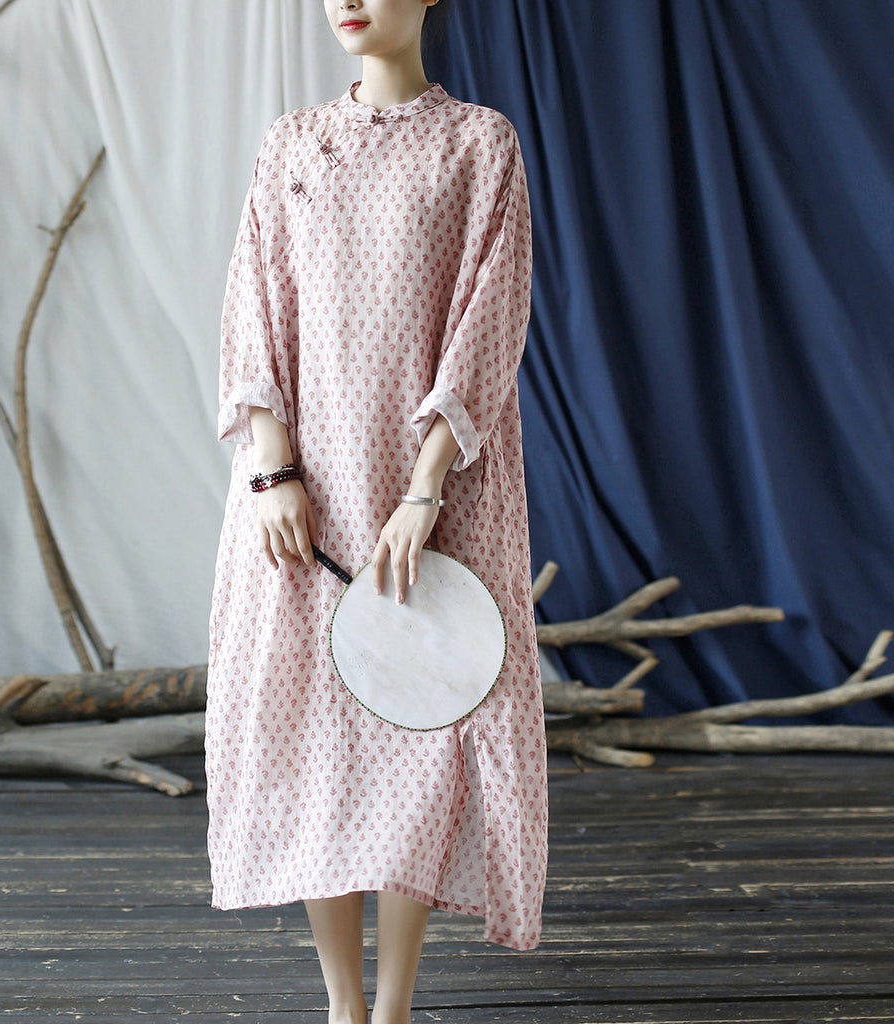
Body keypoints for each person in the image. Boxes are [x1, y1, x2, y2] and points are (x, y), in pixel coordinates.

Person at [205, 2, 548, 1021]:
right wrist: (273, 469)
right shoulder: (291, 142)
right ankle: (341, 1006)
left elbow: (490, 320)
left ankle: (391, 1008)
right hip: (304, 501)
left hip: (436, 494)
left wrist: (425, 489)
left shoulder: (479, 143)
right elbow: (253, 306)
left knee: (423, 734)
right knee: (317, 743)